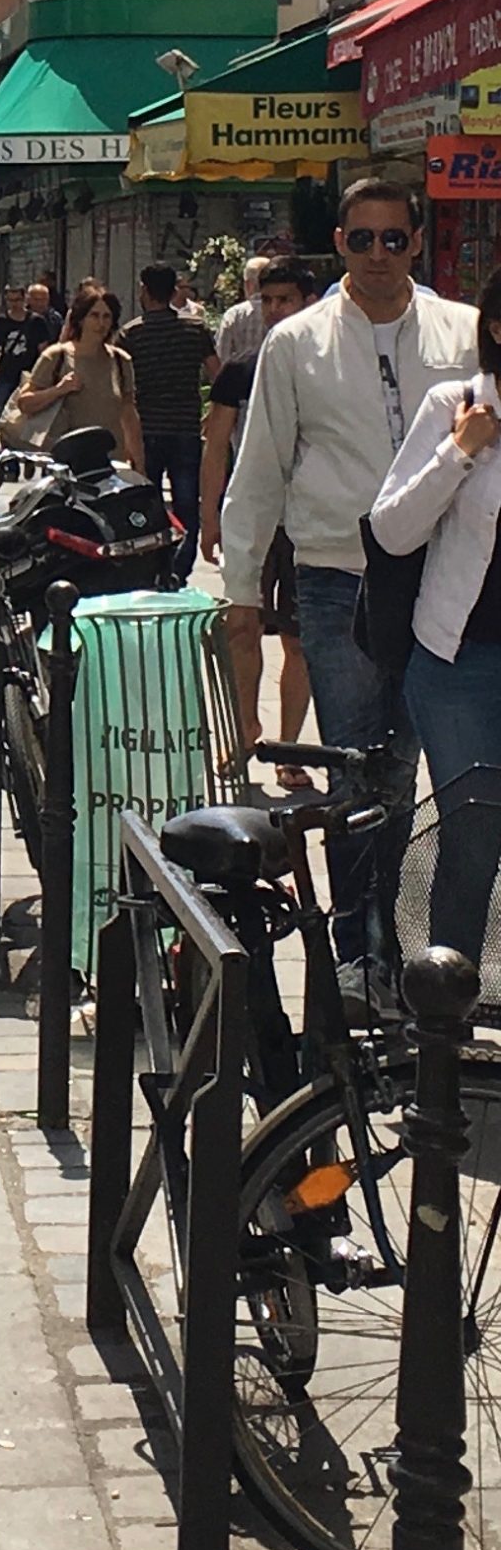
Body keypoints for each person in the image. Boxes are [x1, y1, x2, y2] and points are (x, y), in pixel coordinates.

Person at [222, 177, 478, 1006]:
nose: (377, 255)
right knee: (360, 774)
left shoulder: (464, 331)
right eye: (361, 239)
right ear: (339, 244)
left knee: (427, 777)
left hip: (445, 579)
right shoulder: (297, 342)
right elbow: (258, 468)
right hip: (338, 575)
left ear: (414, 241)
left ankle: (413, 952)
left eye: (392, 239)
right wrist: (241, 590)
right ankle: (359, 956)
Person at [369, 265, 501, 966]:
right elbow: (392, 530)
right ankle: (447, 1000)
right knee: (475, 831)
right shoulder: (456, 405)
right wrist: (460, 451)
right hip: (460, 664)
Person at [201, 261, 317, 751]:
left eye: (284, 300)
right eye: (267, 301)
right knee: (241, 625)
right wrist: (209, 516)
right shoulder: (243, 366)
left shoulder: (322, 368)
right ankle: (246, 727)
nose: (274, 310)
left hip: (307, 518)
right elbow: (216, 443)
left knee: (297, 639)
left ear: (307, 302)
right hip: (252, 512)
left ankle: (289, 746)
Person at [121, 264, 219, 582]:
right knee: (186, 501)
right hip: (185, 428)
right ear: (175, 291)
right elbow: (217, 373)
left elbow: (121, 384)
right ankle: (180, 567)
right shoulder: (196, 329)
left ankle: (153, 563)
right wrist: (213, 410)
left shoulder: (131, 333)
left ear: (144, 291)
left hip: (147, 429)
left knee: (147, 502)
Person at [7, 282, 145, 464]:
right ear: (81, 319)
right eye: (94, 316)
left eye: (106, 317)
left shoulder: (120, 360)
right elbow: (25, 403)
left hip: (110, 461)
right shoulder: (57, 356)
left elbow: (129, 414)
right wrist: (59, 389)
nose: (101, 323)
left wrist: (139, 462)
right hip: (67, 464)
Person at [0, 283, 55, 422]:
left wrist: (45, 374)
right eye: (10, 300)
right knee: (3, 414)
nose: (14, 304)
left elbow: (44, 351)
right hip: (5, 373)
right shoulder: (2, 321)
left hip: (27, 375)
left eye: (17, 300)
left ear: (24, 300)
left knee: (24, 415)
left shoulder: (36, 321)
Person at [215, 258, 272, 368]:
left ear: (248, 284)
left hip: (238, 380)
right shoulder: (281, 311)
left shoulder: (233, 315)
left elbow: (222, 355)